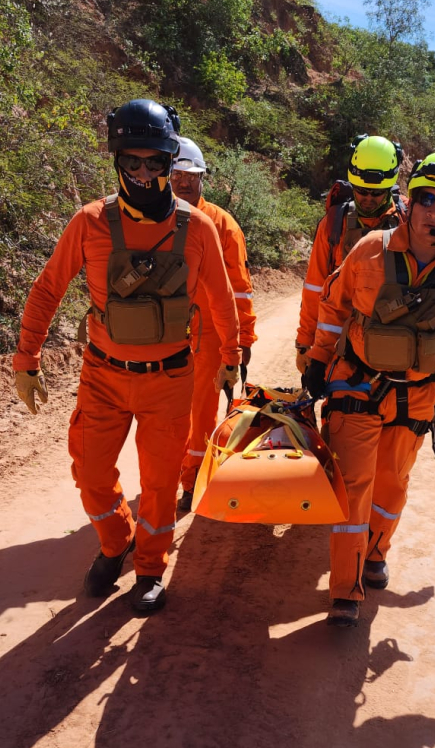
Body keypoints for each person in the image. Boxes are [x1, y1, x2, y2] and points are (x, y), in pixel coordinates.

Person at [12, 99, 241, 614]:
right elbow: (48, 289)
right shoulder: (89, 223)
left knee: (160, 483)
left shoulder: (198, 229)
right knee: (90, 473)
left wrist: (232, 354)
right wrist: (26, 358)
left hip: (170, 378)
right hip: (104, 375)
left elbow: (223, 299)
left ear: (169, 163)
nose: (142, 172)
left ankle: (152, 568)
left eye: (154, 163)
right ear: (117, 162)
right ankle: (117, 542)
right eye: (131, 162)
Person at [301, 151, 435, 627]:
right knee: (352, 489)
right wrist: (317, 361)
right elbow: (334, 308)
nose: (434, 213)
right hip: (356, 384)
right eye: (427, 201)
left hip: (416, 395)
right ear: (411, 202)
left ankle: (376, 552)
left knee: (391, 486)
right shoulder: (369, 251)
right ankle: (345, 592)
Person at [170, 136, 257, 511]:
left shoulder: (222, 225)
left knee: (201, 414)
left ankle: (194, 482)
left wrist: (242, 341)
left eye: (191, 177)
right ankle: (176, 475)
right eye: (177, 176)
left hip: (209, 337)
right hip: (166, 335)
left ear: (203, 178)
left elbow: (240, 289)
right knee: (168, 415)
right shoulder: (155, 219)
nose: (184, 183)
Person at [295, 135, 406, 374]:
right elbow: (315, 287)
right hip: (340, 345)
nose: (367, 198)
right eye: (361, 191)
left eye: (376, 193)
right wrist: (305, 343)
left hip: (395, 342)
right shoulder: (334, 224)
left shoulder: (408, 221)